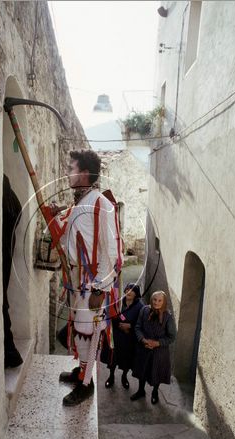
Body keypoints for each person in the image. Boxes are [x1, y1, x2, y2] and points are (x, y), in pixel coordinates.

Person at [50, 150, 123, 406]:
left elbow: (112, 251)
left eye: (71, 168)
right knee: (79, 331)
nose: (68, 172)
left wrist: (100, 288)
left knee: (87, 332)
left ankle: (86, 384)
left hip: (91, 285)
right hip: (76, 281)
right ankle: (81, 371)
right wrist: (58, 213)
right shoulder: (81, 202)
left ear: (83, 173)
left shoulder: (101, 204)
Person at [131, 290, 176, 404]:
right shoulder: (144, 310)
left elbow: (171, 337)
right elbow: (137, 327)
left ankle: (155, 392)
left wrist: (157, 343)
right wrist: (143, 340)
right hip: (143, 348)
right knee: (142, 370)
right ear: (151, 300)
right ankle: (141, 391)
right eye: (155, 300)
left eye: (160, 300)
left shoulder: (168, 317)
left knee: (156, 372)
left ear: (164, 302)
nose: (156, 302)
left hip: (159, 352)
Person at [101, 283, 143, 390]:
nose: (129, 291)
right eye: (127, 289)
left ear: (136, 293)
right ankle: (111, 376)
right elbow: (110, 315)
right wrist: (120, 325)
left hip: (129, 339)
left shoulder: (140, 306)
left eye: (132, 290)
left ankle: (124, 377)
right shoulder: (118, 302)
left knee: (127, 360)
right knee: (113, 358)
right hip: (116, 336)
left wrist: (130, 326)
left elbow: (141, 323)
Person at [2, 174, 23, 368]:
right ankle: (10, 353)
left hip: (2, 248)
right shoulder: (5, 183)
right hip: (5, 246)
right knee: (2, 298)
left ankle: (10, 353)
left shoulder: (1, 182)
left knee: (1, 298)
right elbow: (18, 211)